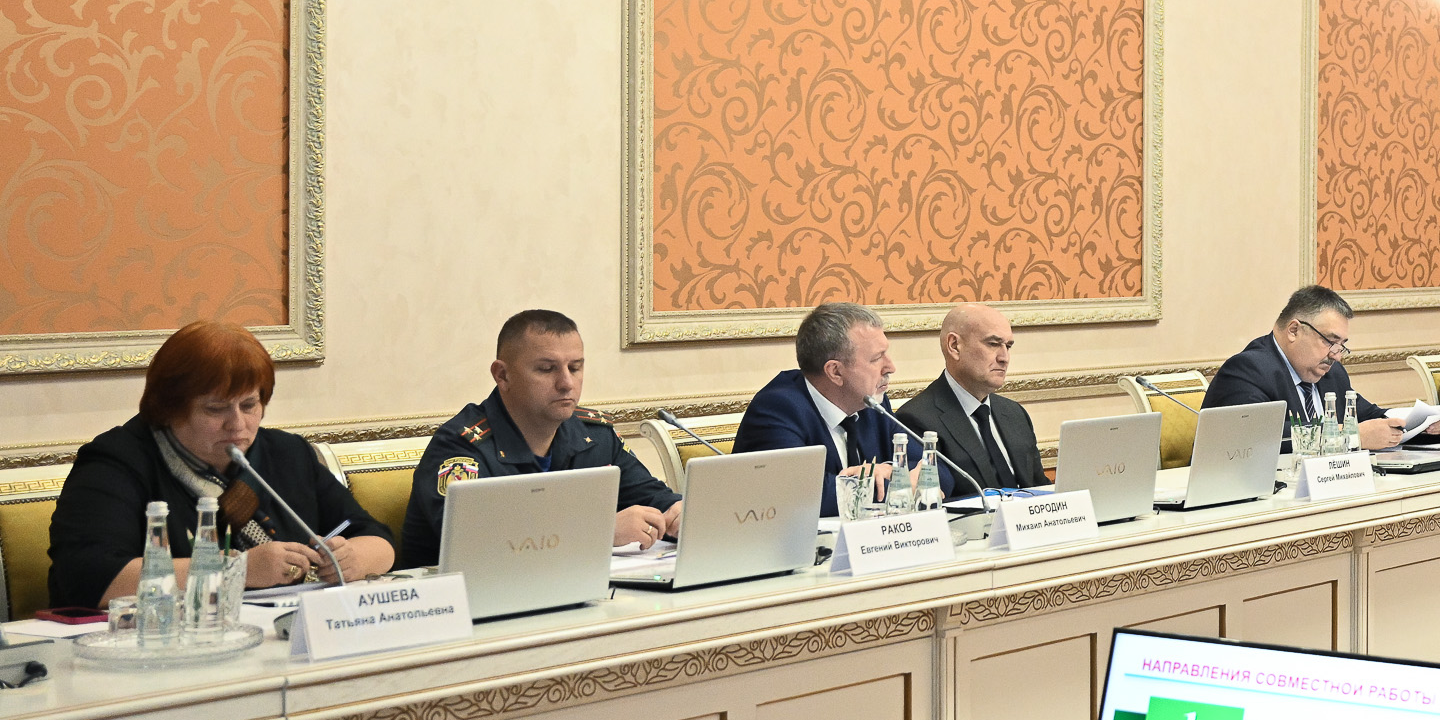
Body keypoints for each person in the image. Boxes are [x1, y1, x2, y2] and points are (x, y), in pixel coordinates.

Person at [44, 320, 396, 612]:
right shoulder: (115, 463)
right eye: (216, 409)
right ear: (169, 408)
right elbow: (90, 578)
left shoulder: (287, 453)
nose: (238, 425)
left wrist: (354, 559)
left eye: (250, 405)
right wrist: (235, 571)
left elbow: (377, 538)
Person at [401, 310, 684, 566]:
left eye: (575, 367)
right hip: (466, 599)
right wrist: (599, 531)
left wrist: (678, 513)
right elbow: (476, 543)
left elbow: (653, 497)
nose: (566, 383)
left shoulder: (594, 435)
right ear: (502, 375)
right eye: (547, 369)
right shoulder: (461, 447)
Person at [734, 301, 908, 517]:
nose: (890, 367)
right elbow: (801, 496)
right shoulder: (777, 410)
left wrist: (887, 474)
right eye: (876, 358)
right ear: (835, 371)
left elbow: (932, 469)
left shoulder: (872, 403)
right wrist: (893, 484)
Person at [1206, 286, 1411, 451]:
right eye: (1330, 342)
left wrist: (1416, 423)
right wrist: (1349, 436)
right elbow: (1255, 437)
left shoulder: (1331, 374)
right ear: (1294, 330)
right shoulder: (1248, 370)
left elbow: (1369, 415)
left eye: (1341, 346)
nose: (1336, 355)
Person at [896, 301, 1046, 493]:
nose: (1004, 358)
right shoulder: (916, 419)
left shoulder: (1014, 413)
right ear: (954, 346)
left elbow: (1040, 487)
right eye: (993, 344)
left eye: (1008, 346)